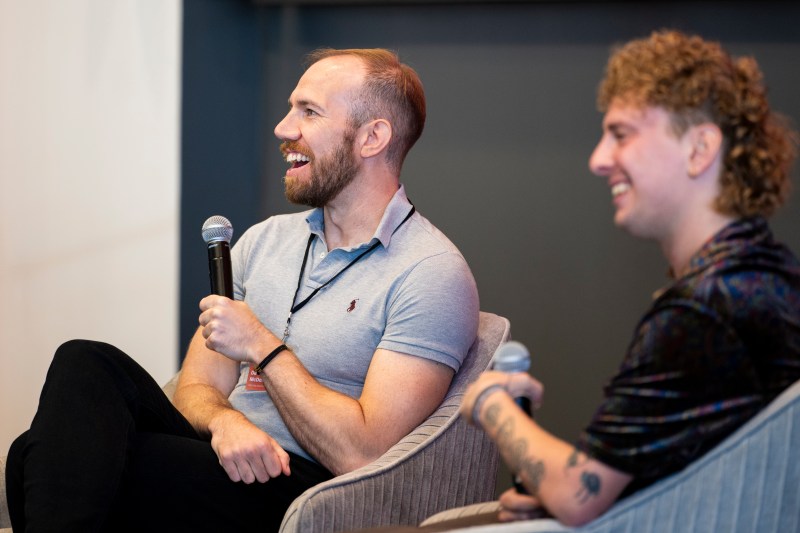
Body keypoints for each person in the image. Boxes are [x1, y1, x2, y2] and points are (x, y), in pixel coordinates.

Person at [5, 48, 479, 532]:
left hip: (304, 488)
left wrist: (261, 345)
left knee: (46, 458)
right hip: (223, 457)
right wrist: (225, 421)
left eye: (309, 112)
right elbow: (197, 387)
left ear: (372, 137)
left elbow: (364, 454)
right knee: (85, 362)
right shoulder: (264, 240)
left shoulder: (430, 272)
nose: (283, 128)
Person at [458, 29, 800, 528]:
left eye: (622, 134)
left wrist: (492, 402)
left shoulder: (702, 310)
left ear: (700, 148)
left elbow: (580, 494)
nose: (598, 159)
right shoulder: (768, 275)